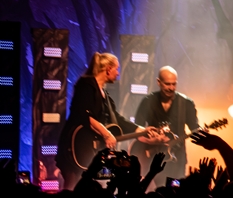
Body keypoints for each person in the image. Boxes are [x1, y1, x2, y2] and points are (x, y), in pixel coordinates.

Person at [57, 52, 159, 188]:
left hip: (91, 150)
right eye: (117, 69)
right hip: (76, 146)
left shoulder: (105, 95)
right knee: (72, 184)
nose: (118, 73)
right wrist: (106, 134)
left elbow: (117, 119)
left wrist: (141, 130)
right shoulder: (86, 85)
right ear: (108, 69)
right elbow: (85, 115)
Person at [133, 66, 200, 183]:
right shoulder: (147, 102)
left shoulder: (186, 103)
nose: (171, 88)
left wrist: (203, 133)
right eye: (167, 84)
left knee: (174, 191)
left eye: (174, 84)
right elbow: (136, 130)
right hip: (151, 159)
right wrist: (152, 141)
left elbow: (195, 128)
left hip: (176, 159)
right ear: (158, 82)